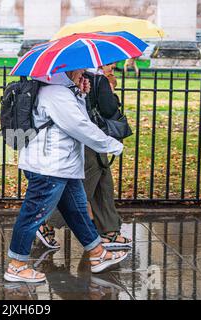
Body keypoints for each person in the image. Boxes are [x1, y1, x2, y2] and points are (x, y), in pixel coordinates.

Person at [4, 69, 128, 283]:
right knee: (32, 214)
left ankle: (97, 254)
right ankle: (17, 265)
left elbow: (75, 118)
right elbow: (79, 126)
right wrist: (111, 145)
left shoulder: (60, 90)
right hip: (49, 167)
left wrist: (79, 95)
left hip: (61, 166)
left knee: (77, 211)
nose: (85, 73)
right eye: (81, 69)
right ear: (68, 69)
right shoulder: (55, 93)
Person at [39, 63, 132, 250]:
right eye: (110, 62)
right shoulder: (96, 80)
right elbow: (108, 110)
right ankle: (45, 223)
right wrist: (111, 88)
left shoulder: (73, 82)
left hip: (90, 140)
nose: (113, 64)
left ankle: (110, 230)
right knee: (83, 187)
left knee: (103, 184)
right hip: (91, 140)